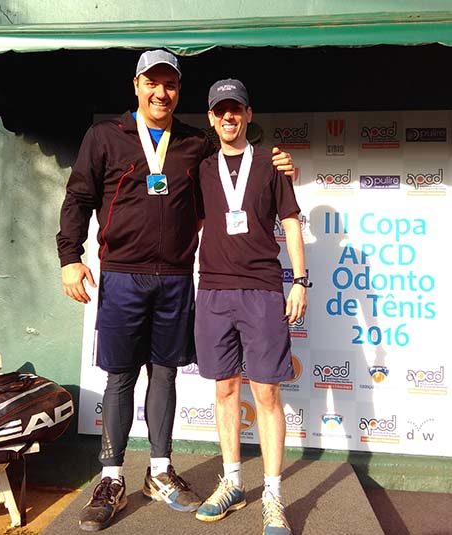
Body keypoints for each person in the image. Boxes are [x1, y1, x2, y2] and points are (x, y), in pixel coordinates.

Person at [56, 51, 295, 531]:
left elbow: (239, 156)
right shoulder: (105, 136)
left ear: (179, 91)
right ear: (137, 86)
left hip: (176, 277)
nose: (161, 93)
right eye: (152, 83)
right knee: (120, 377)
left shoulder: (193, 142)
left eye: (170, 85)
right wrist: (69, 257)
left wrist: (280, 161)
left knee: (165, 375)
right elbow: (79, 196)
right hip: (122, 273)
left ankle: (160, 471)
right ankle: (111, 478)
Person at [194, 79, 311, 535]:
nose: (229, 116)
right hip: (214, 291)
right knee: (225, 389)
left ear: (248, 114)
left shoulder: (271, 164)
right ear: (211, 118)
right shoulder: (200, 168)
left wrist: (299, 281)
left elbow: (291, 222)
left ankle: (273, 496)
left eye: (236, 109)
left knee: (266, 394)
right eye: (221, 110)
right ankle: (233, 483)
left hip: (262, 290)